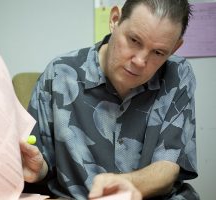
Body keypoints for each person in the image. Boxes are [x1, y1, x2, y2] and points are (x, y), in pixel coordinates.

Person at [20, 0, 199, 199]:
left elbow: (169, 166)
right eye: (134, 40)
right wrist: (38, 170)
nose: (140, 61)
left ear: (175, 47)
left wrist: (128, 184)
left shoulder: (178, 74)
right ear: (115, 19)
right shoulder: (59, 74)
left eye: (158, 52)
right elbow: (43, 166)